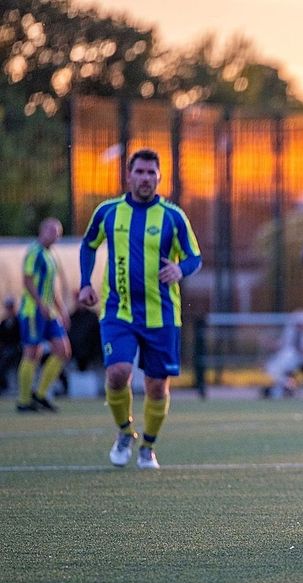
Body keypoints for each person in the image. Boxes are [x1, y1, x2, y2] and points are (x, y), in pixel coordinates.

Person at [78, 148, 202, 470]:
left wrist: (180, 270)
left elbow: (194, 257)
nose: (146, 178)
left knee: (157, 386)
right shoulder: (108, 211)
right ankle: (124, 433)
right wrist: (85, 283)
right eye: (140, 172)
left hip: (161, 315)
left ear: (159, 177)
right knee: (118, 373)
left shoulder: (173, 217)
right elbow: (88, 244)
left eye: (151, 173)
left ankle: (148, 446)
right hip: (117, 312)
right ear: (129, 175)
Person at [16, 218, 72, 412]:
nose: (55, 235)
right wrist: (40, 304)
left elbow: (52, 287)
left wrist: (62, 309)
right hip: (33, 311)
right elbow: (27, 280)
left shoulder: (50, 255)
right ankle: (23, 401)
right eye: (51, 230)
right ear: (42, 230)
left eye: (58, 232)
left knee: (63, 351)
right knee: (32, 352)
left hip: (49, 311)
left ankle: (40, 394)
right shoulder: (34, 252)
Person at [263, 309, 303, 399]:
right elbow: (284, 344)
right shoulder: (291, 329)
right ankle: (288, 384)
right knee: (272, 368)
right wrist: (271, 344)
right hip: (294, 356)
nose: (300, 327)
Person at [0, 296, 21, 395]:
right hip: (6, 350)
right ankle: (4, 386)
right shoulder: (4, 323)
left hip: (17, 349)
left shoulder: (19, 321)